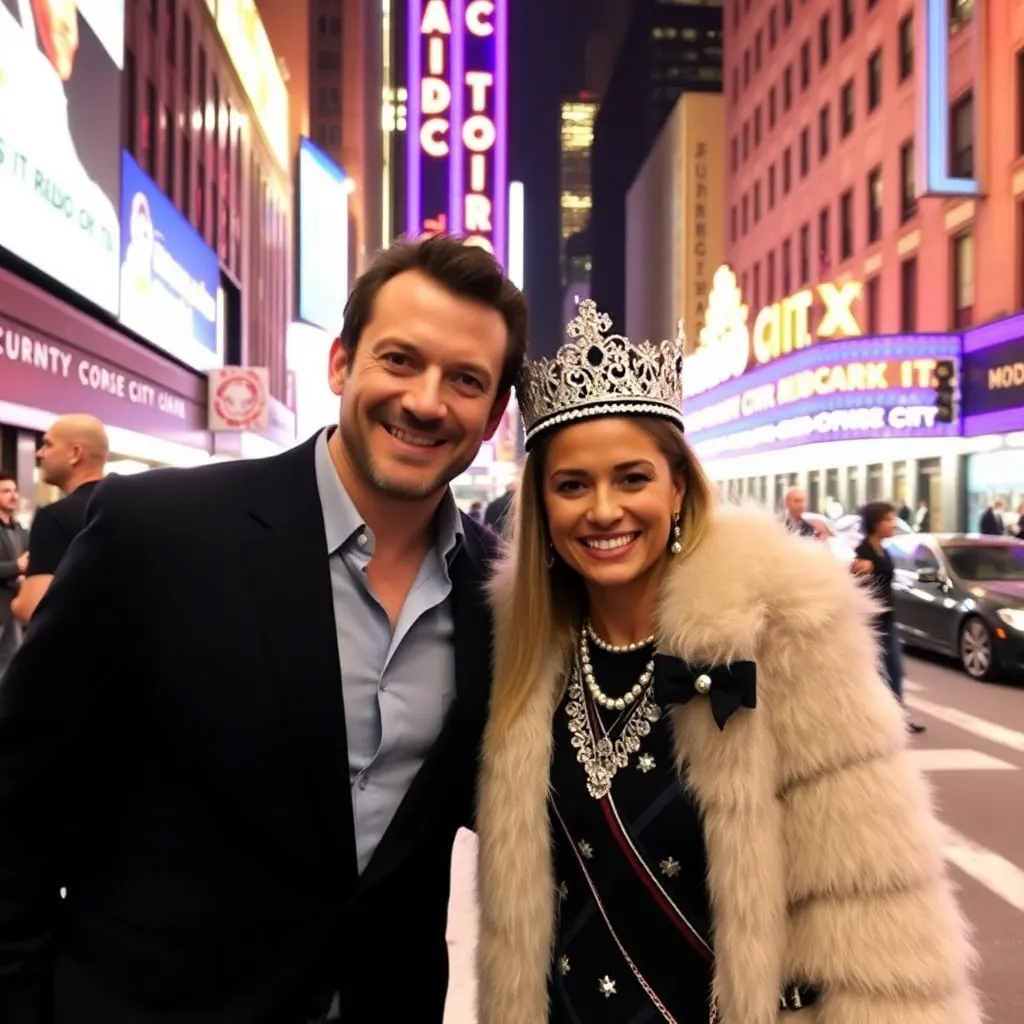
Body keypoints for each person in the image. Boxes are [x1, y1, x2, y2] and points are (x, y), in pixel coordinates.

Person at [0, 235, 528, 1024]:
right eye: (399, 360)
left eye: (464, 380)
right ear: (341, 364)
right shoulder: (158, 533)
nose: (425, 400)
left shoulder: (500, 597)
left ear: (492, 419)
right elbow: (18, 802)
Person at [473, 303, 977, 1023]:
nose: (604, 510)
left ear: (677, 487)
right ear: (543, 507)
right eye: (573, 485)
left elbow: (876, 912)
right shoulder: (524, 652)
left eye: (632, 478)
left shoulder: (786, 631)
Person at [11, 414, 108, 625]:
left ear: (75, 453)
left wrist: (17, 602)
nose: (39, 453)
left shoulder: (54, 518)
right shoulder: (133, 508)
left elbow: (32, 609)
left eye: (47, 444)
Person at [853, 501, 926, 735]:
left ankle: (897, 718)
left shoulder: (882, 549)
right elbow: (856, 581)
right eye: (889, 519)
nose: (893, 524)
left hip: (887, 616)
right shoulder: (863, 551)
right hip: (872, 620)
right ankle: (878, 719)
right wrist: (858, 570)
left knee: (894, 670)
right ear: (876, 523)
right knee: (878, 671)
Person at [0, 471, 29, 676]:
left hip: (14, 612)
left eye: (15, 490)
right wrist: (16, 567)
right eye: (5, 491)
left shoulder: (20, 529)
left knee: (12, 668)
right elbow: (18, 564)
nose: (13, 495)